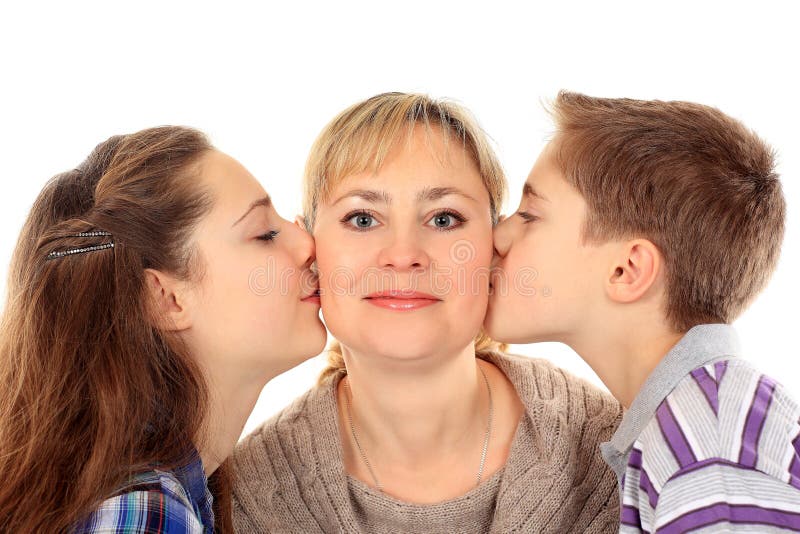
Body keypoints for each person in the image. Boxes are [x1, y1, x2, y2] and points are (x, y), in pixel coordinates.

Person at [231, 92, 622, 533]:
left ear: (494, 247)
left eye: (443, 219)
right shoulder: (250, 495)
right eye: (362, 219)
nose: (403, 255)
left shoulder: (611, 451)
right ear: (310, 249)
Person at [485, 91, 800, 532]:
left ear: (626, 269)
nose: (498, 235)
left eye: (530, 214)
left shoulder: (706, 446)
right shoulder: (688, 424)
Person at [0, 126, 326, 533]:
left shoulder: (164, 490)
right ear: (166, 299)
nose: (307, 242)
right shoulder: (147, 515)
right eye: (264, 234)